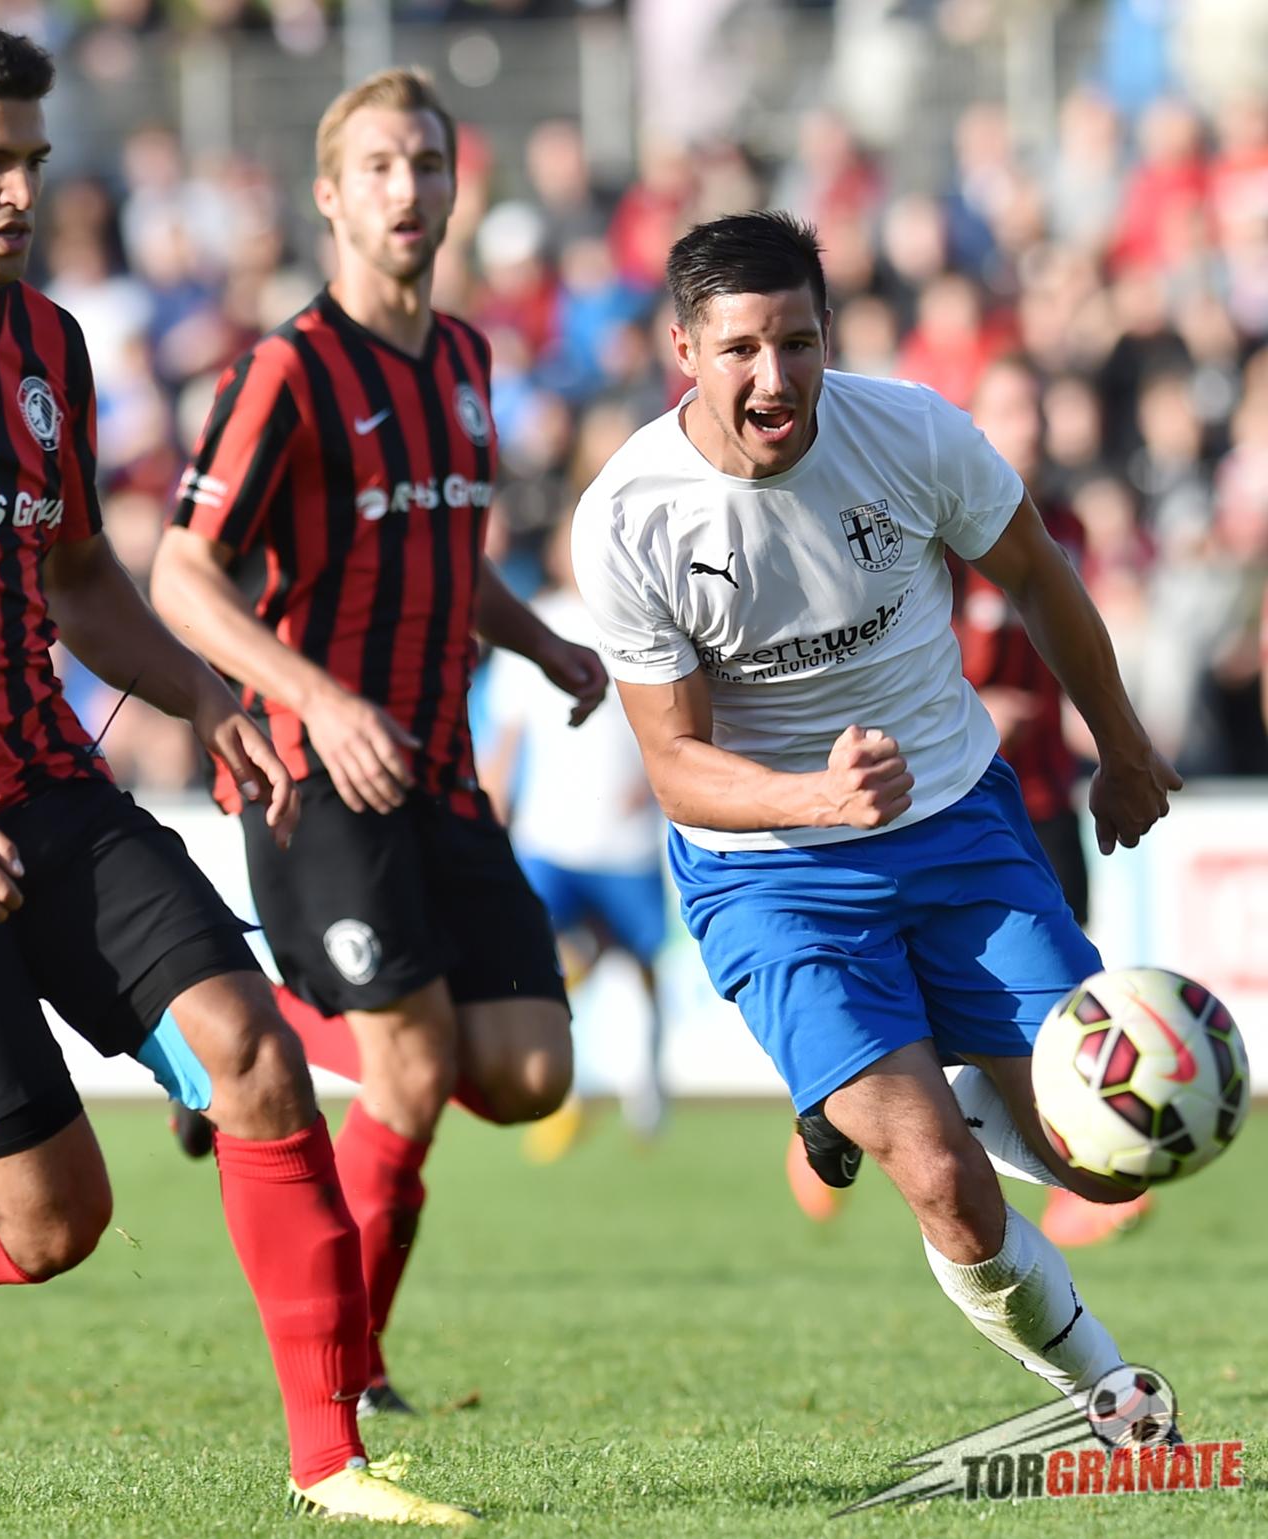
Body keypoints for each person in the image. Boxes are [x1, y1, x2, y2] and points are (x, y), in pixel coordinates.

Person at [0, 11, 472, 1527]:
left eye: (33, 162)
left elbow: (79, 578)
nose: (19, 193)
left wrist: (209, 696)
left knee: (253, 1051)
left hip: (49, 791)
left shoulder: (47, 346)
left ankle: (334, 1462)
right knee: (52, 1220)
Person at [571, 211, 1181, 1427]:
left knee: (1108, 1161)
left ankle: (913, 1090)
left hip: (958, 826)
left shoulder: (910, 432)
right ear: (684, 349)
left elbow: (1039, 575)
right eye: (740, 349)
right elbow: (675, 768)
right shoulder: (631, 516)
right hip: (771, 875)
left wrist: (1120, 745)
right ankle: (1107, 1398)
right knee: (943, 1183)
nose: (774, 378)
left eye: (798, 343)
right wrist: (815, 797)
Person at [149, 67, 607, 1416]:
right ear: (331, 197)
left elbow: (444, 552)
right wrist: (325, 699)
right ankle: (348, 1376)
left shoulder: (463, 360)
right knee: (408, 1061)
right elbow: (181, 574)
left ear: (456, 188)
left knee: (528, 1071)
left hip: (437, 768)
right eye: (380, 167)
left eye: (428, 164)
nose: (408, 188)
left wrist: (541, 642)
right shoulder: (286, 370)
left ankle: (241, 1035)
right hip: (316, 770)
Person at [784, 355, 1154, 1245]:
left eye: (1039, 408)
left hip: (1042, 788)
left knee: (1049, 996)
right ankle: (839, 1103)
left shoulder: (1060, 521)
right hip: (937, 791)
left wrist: (1114, 737)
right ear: (976, 421)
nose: (1032, 426)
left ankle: (1067, 1174)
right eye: (1012, 409)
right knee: (923, 987)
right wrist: (974, 701)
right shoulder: (931, 515)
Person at [480, 511, 668, 1161]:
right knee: (544, 957)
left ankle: (646, 1086)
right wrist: (492, 805)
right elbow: (507, 735)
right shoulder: (535, 623)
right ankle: (561, 1093)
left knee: (640, 962)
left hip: (625, 838)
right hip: (550, 835)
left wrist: (658, 779)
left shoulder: (641, 616)